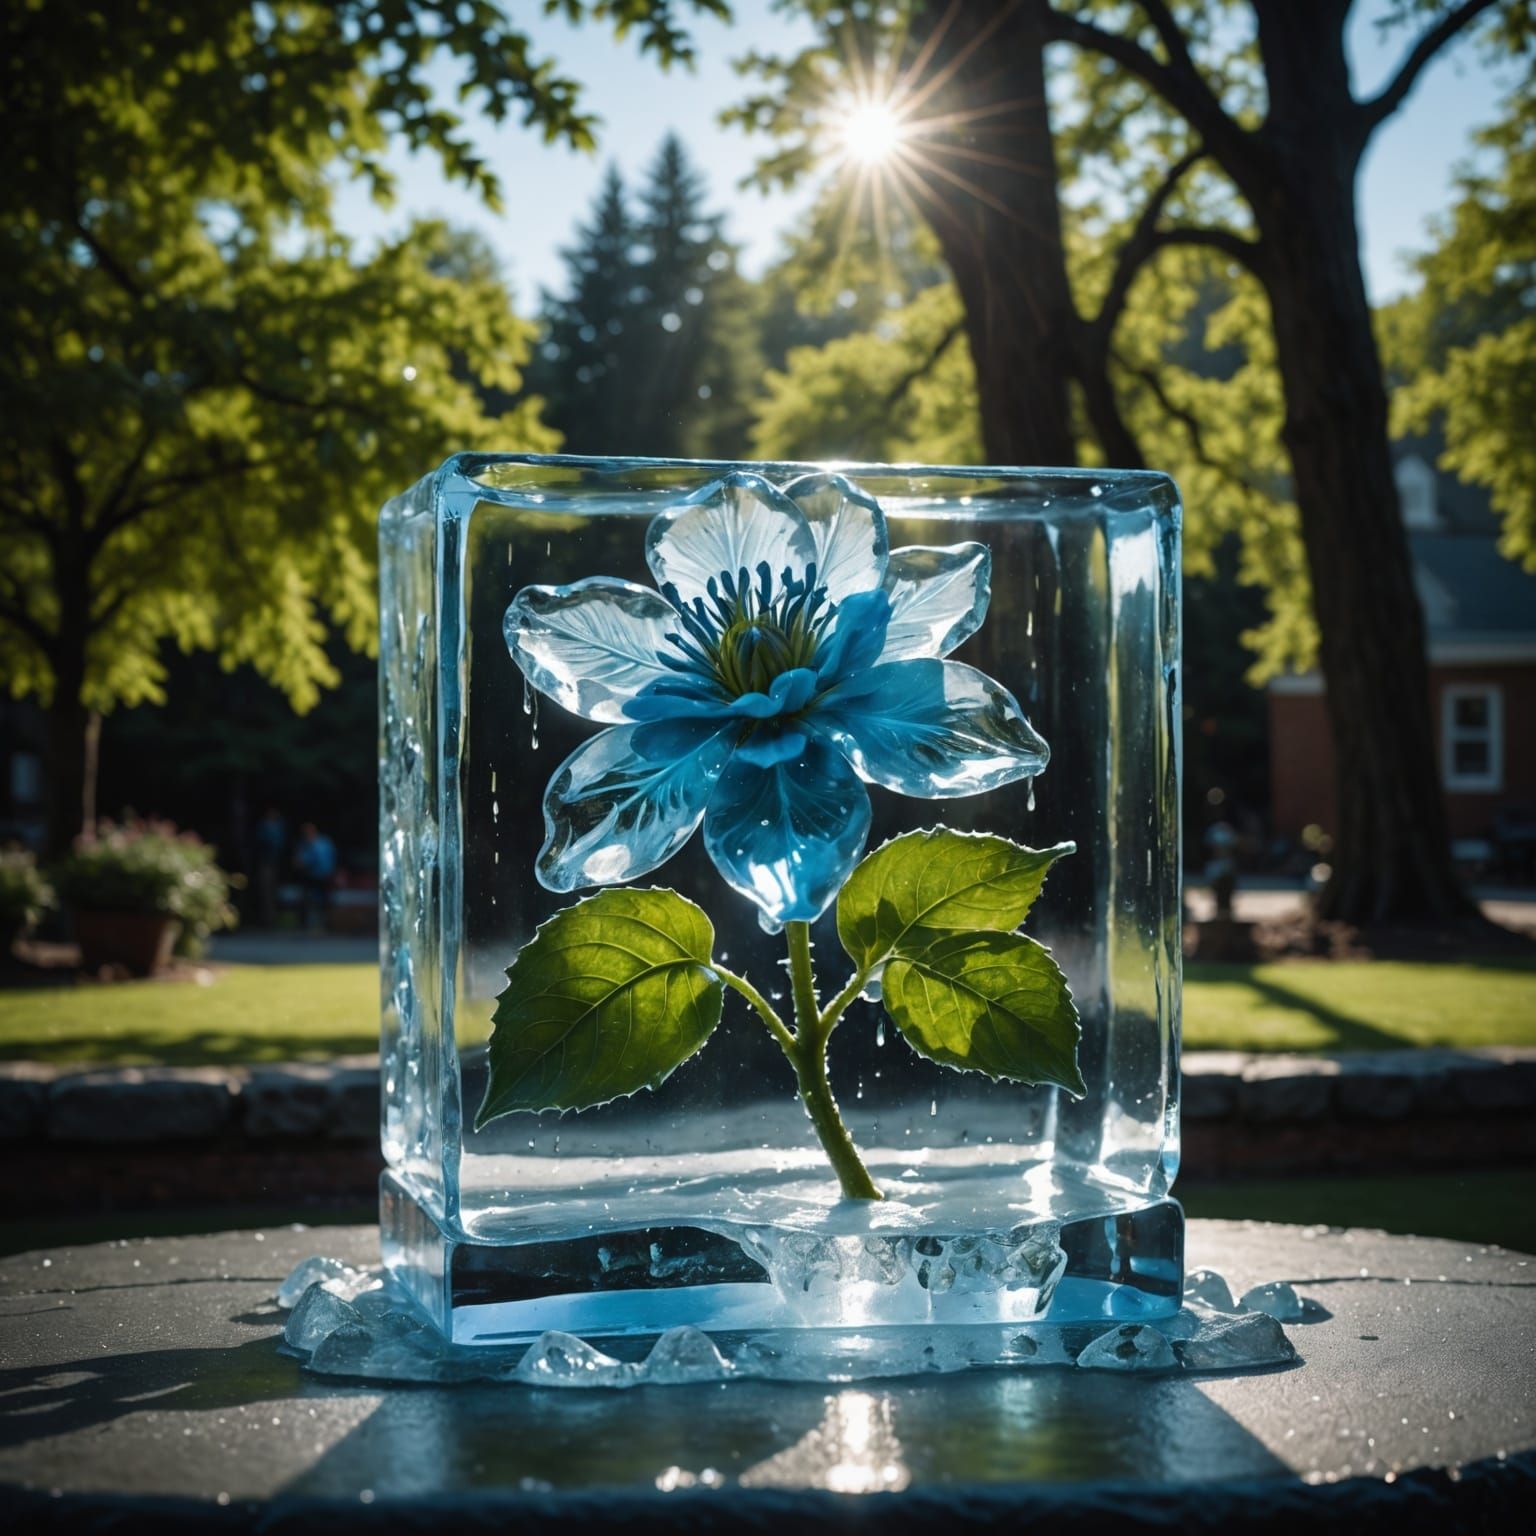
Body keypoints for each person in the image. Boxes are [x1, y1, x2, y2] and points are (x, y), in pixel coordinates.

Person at [295, 822, 338, 932]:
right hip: (311, 876)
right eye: (305, 832)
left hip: (325, 876)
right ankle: (308, 924)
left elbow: (330, 858)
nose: (307, 834)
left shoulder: (324, 843)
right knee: (308, 899)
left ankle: (326, 924)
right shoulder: (304, 844)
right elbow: (300, 861)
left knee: (325, 901)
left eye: (309, 831)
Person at [253, 808, 286, 928]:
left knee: (273, 891)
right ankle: (268, 919)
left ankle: (272, 919)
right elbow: (261, 841)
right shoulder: (264, 827)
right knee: (265, 891)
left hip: (274, 861)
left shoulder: (279, 826)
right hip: (265, 861)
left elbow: (280, 843)